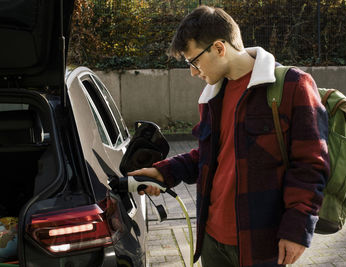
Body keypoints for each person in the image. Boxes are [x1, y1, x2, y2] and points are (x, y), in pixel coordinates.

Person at [129, 5, 329, 267]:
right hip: (212, 241)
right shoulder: (212, 96)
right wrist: (165, 172)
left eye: (194, 61)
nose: (193, 71)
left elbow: (311, 165)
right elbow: (210, 156)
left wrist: (297, 230)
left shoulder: (292, 85)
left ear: (219, 48)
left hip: (261, 244)